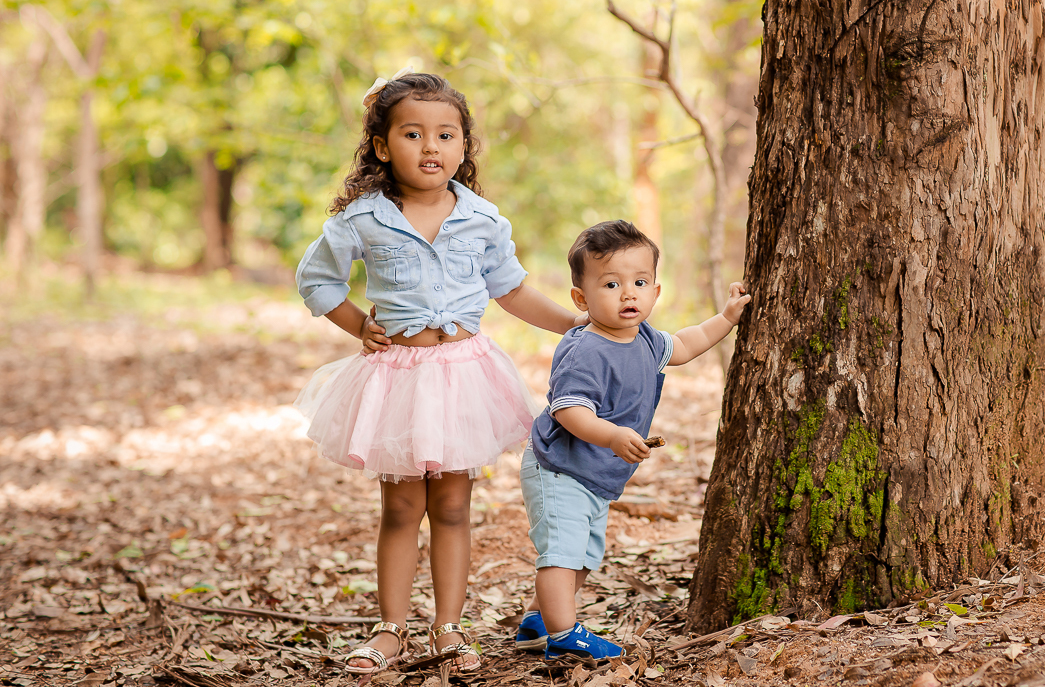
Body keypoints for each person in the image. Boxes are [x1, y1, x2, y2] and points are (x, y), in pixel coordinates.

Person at [294, 69, 584, 677]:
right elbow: (315, 278)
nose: (431, 147)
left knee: (453, 506)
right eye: (413, 133)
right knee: (401, 508)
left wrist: (571, 324)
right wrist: (357, 325)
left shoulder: (482, 219)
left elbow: (511, 290)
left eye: (446, 134)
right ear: (381, 145)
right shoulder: (365, 218)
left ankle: (447, 629)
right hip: (397, 377)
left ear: (463, 146)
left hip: (462, 376)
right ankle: (391, 628)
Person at [514, 220, 750, 661]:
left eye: (640, 282)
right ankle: (564, 637)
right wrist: (613, 434)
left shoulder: (644, 337)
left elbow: (682, 345)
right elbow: (569, 410)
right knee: (561, 554)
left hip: (595, 474)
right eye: (611, 284)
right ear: (581, 299)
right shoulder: (585, 347)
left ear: (655, 292)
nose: (629, 294)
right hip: (559, 467)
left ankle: (538, 621)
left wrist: (726, 319)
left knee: (583, 556)